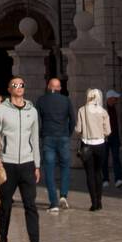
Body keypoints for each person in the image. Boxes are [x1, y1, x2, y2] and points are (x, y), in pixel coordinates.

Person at [0, 76, 46, 242]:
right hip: (8, 164)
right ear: (9, 88)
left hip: (27, 164)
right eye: (15, 85)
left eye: (21, 85)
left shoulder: (33, 111)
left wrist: (36, 164)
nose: (19, 87)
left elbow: (35, 140)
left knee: (31, 205)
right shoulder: (1, 110)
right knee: (6, 206)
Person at [35, 77, 76, 213]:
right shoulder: (66, 100)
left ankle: (53, 203)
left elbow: (37, 120)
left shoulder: (41, 100)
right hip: (63, 136)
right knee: (65, 167)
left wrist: (41, 133)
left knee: (49, 170)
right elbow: (72, 119)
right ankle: (63, 195)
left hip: (48, 137)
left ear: (48, 86)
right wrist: (68, 133)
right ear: (59, 88)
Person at [75, 88, 111, 211]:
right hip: (100, 144)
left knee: (89, 174)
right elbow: (108, 131)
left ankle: (93, 202)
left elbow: (78, 129)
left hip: (87, 145)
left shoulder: (82, 110)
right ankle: (100, 201)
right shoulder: (103, 112)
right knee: (98, 172)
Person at [102, 89, 122, 187]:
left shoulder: (116, 109)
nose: (116, 100)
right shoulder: (102, 110)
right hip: (105, 137)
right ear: (109, 99)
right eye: (115, 98)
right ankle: (105, 179)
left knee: (116, 157)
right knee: (104, 159)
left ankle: (118, 179)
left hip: (115, 136)